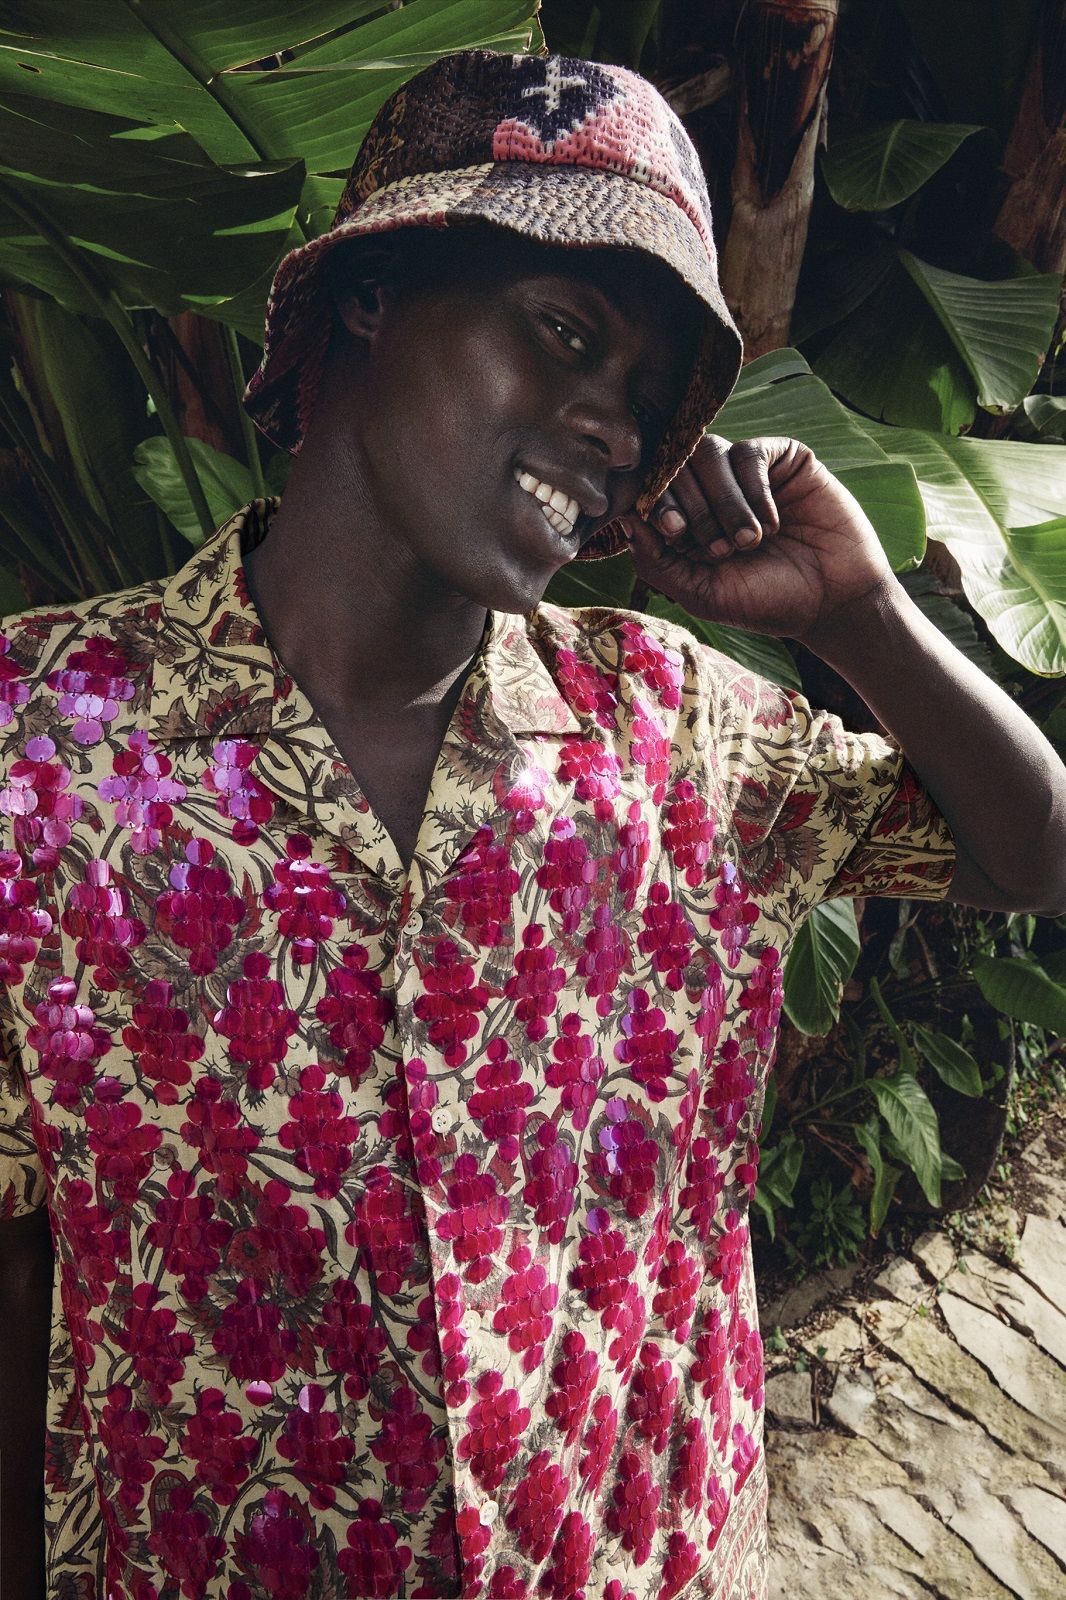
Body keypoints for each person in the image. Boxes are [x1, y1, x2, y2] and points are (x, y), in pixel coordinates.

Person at [1, 46, 1064, 1600]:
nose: (613, 428)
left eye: (643, 395)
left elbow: (1033, 858)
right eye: (565, 332)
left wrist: (863, 623)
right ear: (372, 293)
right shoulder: (43, 748)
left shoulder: (680, 734)